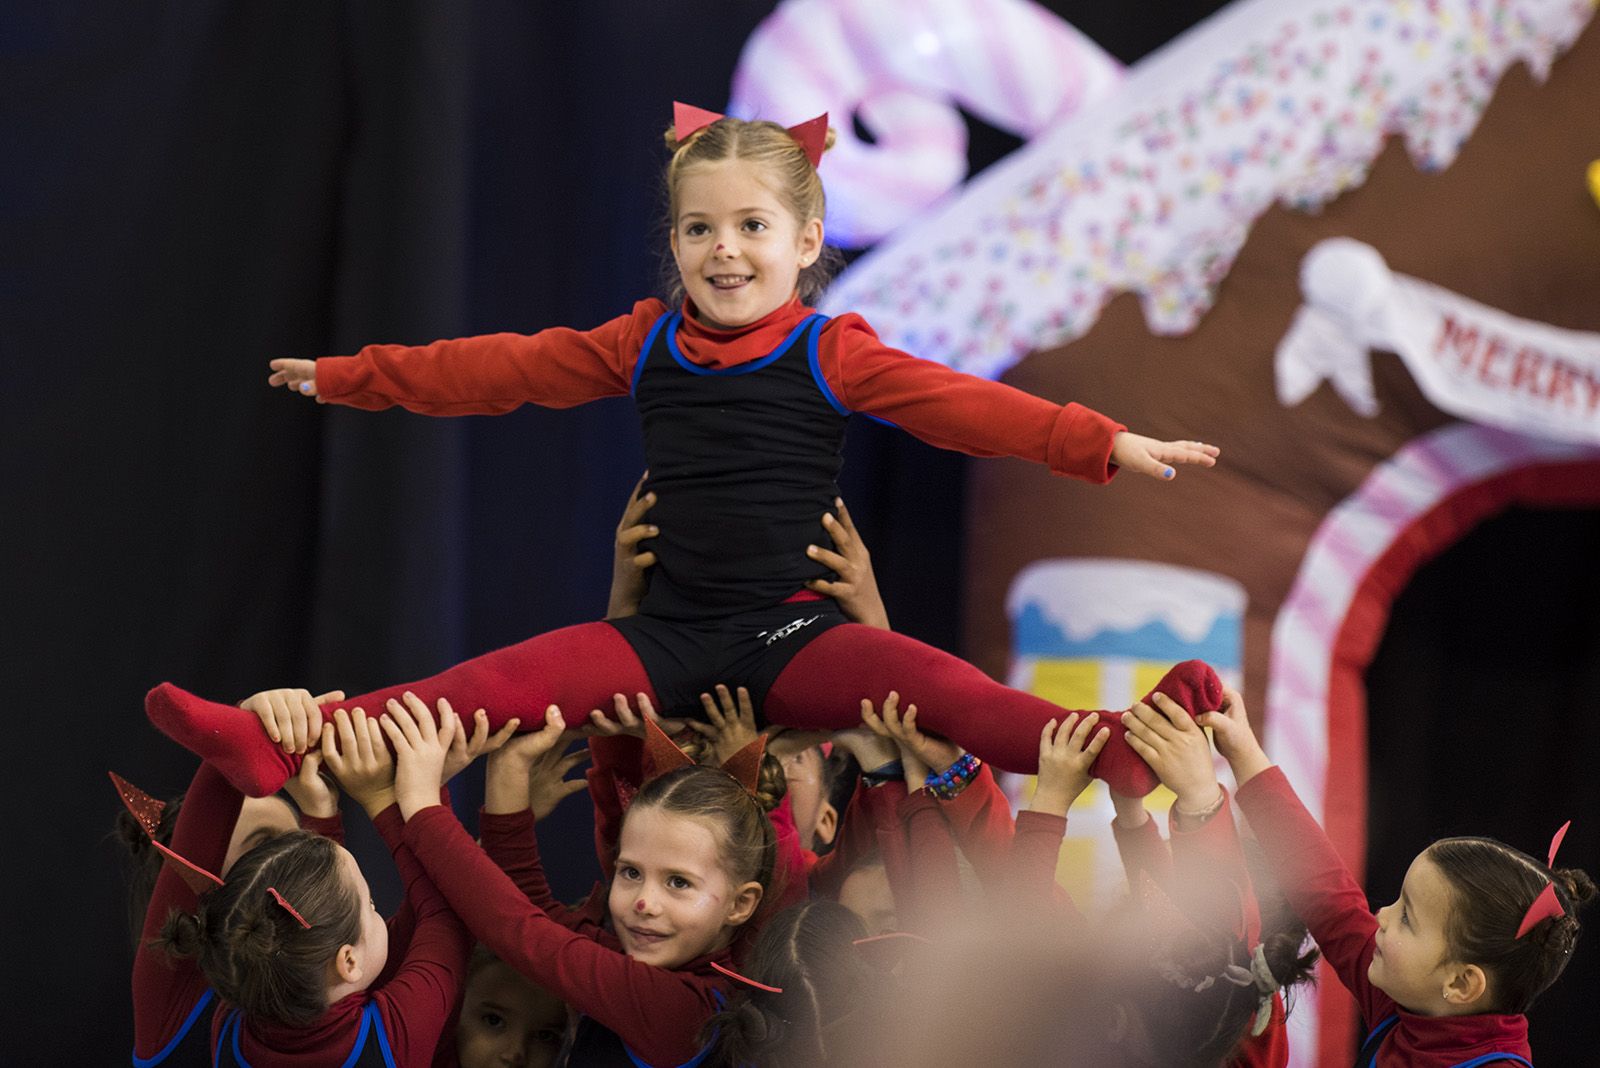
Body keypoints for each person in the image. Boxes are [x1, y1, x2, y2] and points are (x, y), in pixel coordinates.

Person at [146, 106, 1221, 802]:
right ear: (672, 245)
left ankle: (1123, 740)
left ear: (805, 244)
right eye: (700, 230)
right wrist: (354, 376)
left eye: (753, 227)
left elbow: (963, 408)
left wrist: (1103, 441)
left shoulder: (831, 349)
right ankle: (281, 745)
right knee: (489, 685)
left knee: (933, 685)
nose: (725, 250)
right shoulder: (642, 342)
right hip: (666, 635)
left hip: (797, 633)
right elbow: (496, 370)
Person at [380, 694, 776, 1067]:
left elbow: (520, 930)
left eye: (678, 883)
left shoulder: (683, 1009)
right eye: (631, 872)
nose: (644, 902)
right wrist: (511, 765)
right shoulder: (657, 972)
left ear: (741, 904)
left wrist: (421, 805)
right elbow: (532, 906)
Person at [1203, 688, 1594, 1065]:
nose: (1382, 915)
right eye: (1399, 902)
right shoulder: (1410, 1001)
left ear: (1460, 984)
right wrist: (1243, 752)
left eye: (1407, 918)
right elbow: (1326, 891)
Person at [153, 696, 488, 1066]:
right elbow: (444, 913)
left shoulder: (232, 1021)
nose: (379, 913)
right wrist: (412, 799)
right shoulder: (394, 1036)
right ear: (347, 961)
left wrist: (320, 816)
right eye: (372, 907)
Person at [119, 688, 344, 1068]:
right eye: (263, 847)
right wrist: (241, 729)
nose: (289, 859)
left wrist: (321, 814)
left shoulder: (339, 967)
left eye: (297, 841)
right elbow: (198, 840)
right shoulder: (173, 994)